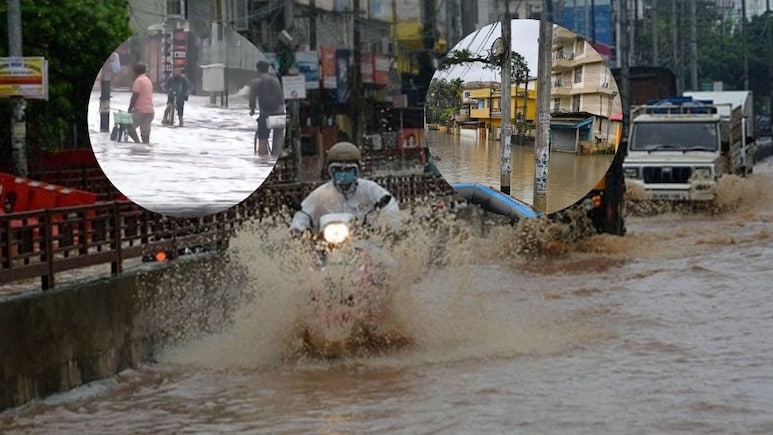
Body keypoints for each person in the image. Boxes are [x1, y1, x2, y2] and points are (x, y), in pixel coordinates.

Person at [290, 141, 402, 234]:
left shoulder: (369, 189)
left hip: (365, 241)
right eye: (338, 169)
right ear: (331, 171)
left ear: (357, 171)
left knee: (387, 261)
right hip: (326, 245)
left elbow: (389, 205)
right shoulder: (320, 194)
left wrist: (389, 225)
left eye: (348, 170)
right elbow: (304, 213)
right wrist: (297, 229)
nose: (343, 174)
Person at [249, 60, 285, 156]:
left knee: (263, 138)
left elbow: (252, 98)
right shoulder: (276, 81)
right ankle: (276, 156)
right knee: (278, 136)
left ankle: (263, 161)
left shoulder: (255, 82)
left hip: (265, 114)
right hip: (279, 112)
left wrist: (252, 109)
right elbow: (281, 98)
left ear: (257, 70)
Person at [127, 63, 154, 144]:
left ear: (136, 72)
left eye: (132, 72)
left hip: (140, 111)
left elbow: (135, 96)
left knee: (129, 127)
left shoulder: (138, 81)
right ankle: (145, 149)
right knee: (145, 133)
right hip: (150, 111)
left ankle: (137, 143)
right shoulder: (148, 80)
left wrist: (130, 108)